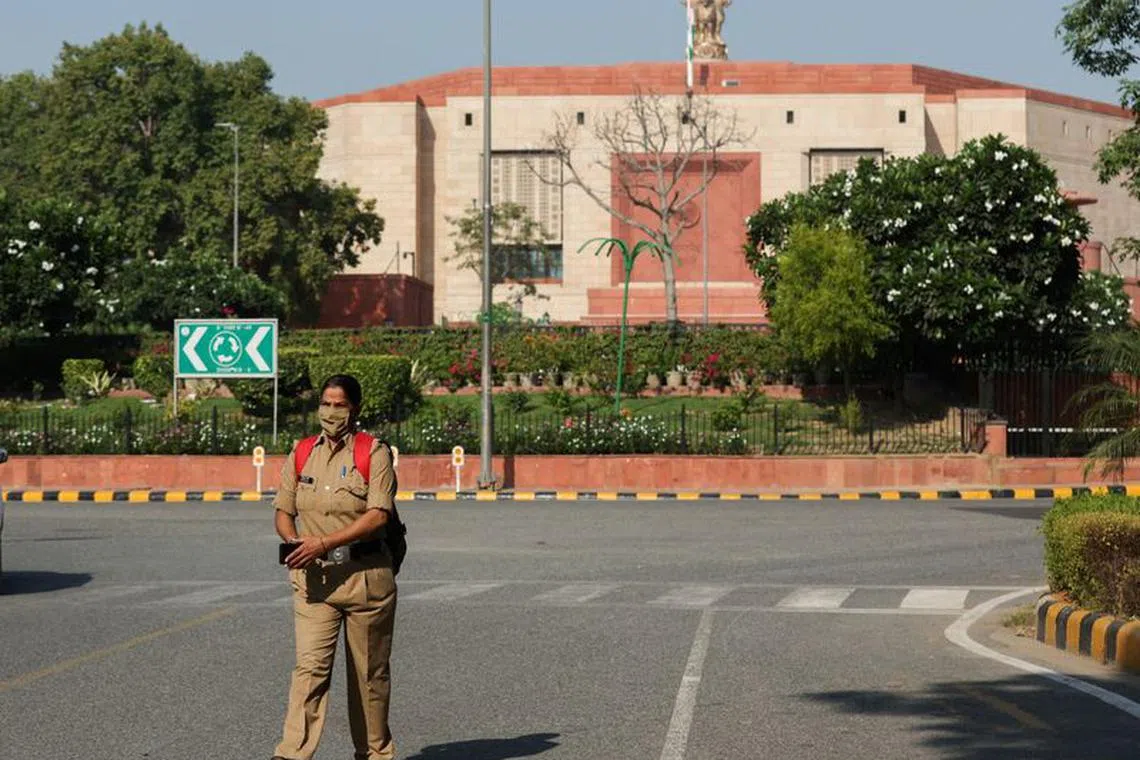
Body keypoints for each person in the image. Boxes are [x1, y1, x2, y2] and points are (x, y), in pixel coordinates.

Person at [271, 374, 399, 760]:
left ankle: (374, 753)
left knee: (368, 676)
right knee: (309, 670)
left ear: (354, 409)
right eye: (325, 404)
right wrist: (294, 539)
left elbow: (378, 515)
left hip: (365, 580)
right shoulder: (302, 452)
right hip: (315, 581)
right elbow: (283, 509)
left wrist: (325, 542)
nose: (330, 412)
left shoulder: (372, 453)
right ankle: (292, 753)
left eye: (339, 405)